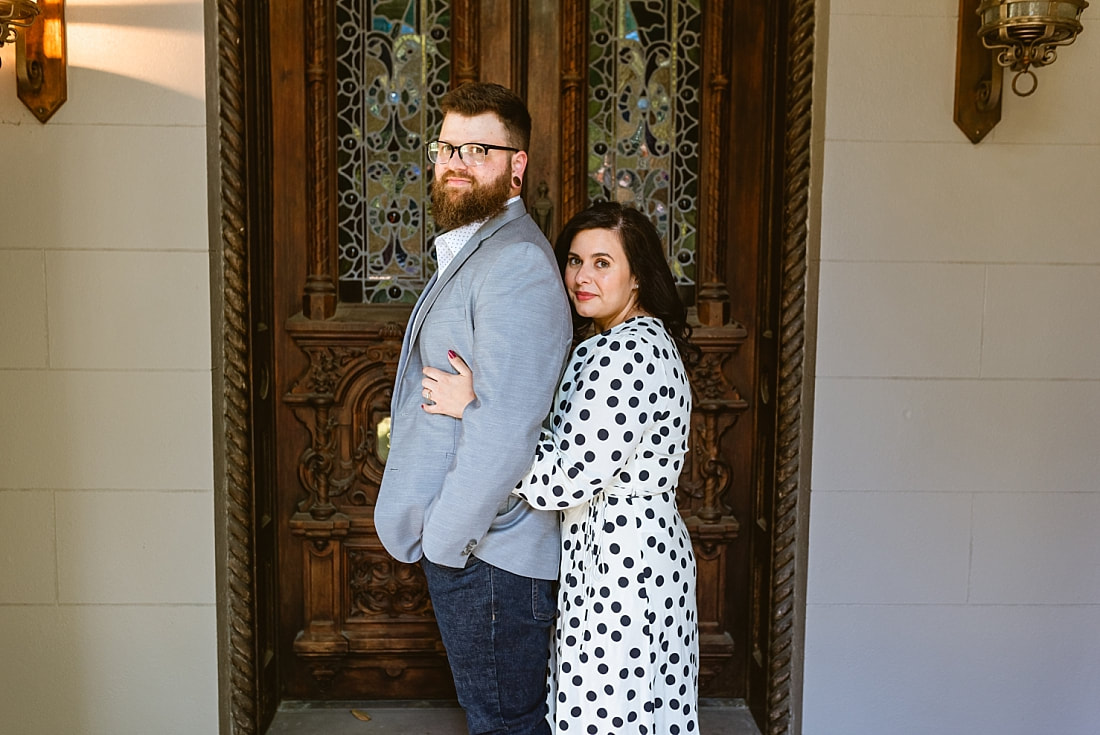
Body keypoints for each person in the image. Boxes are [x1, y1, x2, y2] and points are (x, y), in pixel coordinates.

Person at [424, 202, 700, 734]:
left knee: (607, 719)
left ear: (637, 274)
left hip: (624, 565)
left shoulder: (629, 354)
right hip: (619, 551)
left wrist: (475, 408)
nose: (581, 276)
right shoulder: (611, 342)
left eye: (602, 262)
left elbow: (560, 479)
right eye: (574, 261)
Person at [374, 82, 573, 735]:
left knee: (506, 723)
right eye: (447, 146)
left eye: (478, 148)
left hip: (492, 552)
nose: (456, 160)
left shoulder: (515, 263)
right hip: (479, 547)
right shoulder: (475, 248)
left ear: (516, 165)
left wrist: (448, 540)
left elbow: (506, 433)